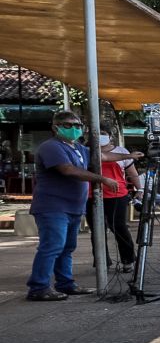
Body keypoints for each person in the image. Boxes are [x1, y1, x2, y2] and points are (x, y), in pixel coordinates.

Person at [26, 110, 116, 301]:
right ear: (55, 127)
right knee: (52, 246)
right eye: (68, 125)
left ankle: (65, 284)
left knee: (67, 248)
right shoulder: (51, 147)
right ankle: (38, 287)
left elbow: (102, 157)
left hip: (74, 207)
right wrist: (102, 179)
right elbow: (68, 170)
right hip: (53, 206)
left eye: (77, 126)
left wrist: (130, 156)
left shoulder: (78, 148)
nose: (73, 129)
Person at [98, 129, 141, 273]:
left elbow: (132, 173)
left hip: (117, 195)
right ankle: (101, 261)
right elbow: (102, 157)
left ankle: (128, 260)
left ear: (110, 136)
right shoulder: (87, 150)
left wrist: (139, 190)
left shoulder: (121, 151)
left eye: (103, 132)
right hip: (93, 195)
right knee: (97, 230)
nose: (100, 136)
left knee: (118, 226)